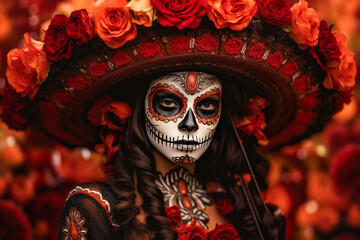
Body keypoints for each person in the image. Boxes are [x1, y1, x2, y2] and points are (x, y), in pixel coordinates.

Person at [1, 0, 356, 239]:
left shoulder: (247, 207)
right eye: (169, 103)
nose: (190, 124)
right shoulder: (96, 208)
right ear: (137, 111)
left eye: (206, 108)